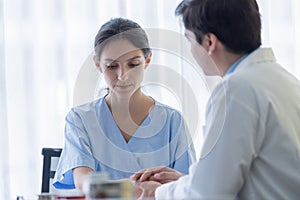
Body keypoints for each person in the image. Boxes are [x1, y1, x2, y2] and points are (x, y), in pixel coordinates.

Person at [130, 0, 300, 199]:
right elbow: (235, 178)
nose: (191, 50)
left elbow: (209, 194)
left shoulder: (236, 90)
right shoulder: (282, 79)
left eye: (190, 40)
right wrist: (189, 181)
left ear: (209, 42)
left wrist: (158, 192)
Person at [53, 18, 195, 190]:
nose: (122, 75)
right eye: (112, 66)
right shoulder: (80, 119)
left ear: (147, 60)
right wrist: (142, 190)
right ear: (98, 65)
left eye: (133, 64)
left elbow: (187, 187)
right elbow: (85, 183)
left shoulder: (173, 121)